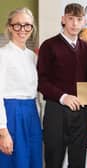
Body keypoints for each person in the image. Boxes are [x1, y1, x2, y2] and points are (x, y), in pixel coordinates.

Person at [37, 3, 87, 168]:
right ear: (63, 19)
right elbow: (42, 81)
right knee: (54, 161)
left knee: (78, 162)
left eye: (79, 19)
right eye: (70, 18)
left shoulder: (86, 48)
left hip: (81, 112)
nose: (74, 23)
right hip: (56, 110)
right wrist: (63, 97)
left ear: (84, 22)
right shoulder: (49, 45)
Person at [0, 7, 42, 168]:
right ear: (10, 27)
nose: (22, 30)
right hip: (11, 114)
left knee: (33, 161)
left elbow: (35, 93)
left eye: (27, 25)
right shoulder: (2, 55)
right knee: (12, 162)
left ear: (32, 28)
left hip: (32, 115)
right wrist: (3, 131)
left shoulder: (33, 57)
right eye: (17, 25)